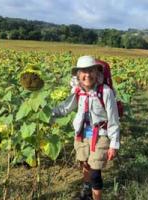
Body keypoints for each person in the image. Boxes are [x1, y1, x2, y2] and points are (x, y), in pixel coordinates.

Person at [52, 55, 120, 200]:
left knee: (95, 172)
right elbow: (65, 108)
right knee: (85, 164)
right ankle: (86, 193)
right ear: (78, 74)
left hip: (100, 135)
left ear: (97, 72)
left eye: (91, 71)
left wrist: (114, 144)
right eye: (83, 71)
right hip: (81, 134)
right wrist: (47, 113)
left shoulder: (105, 92)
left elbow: (114, 120)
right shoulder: (77, 91)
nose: (87, 75)